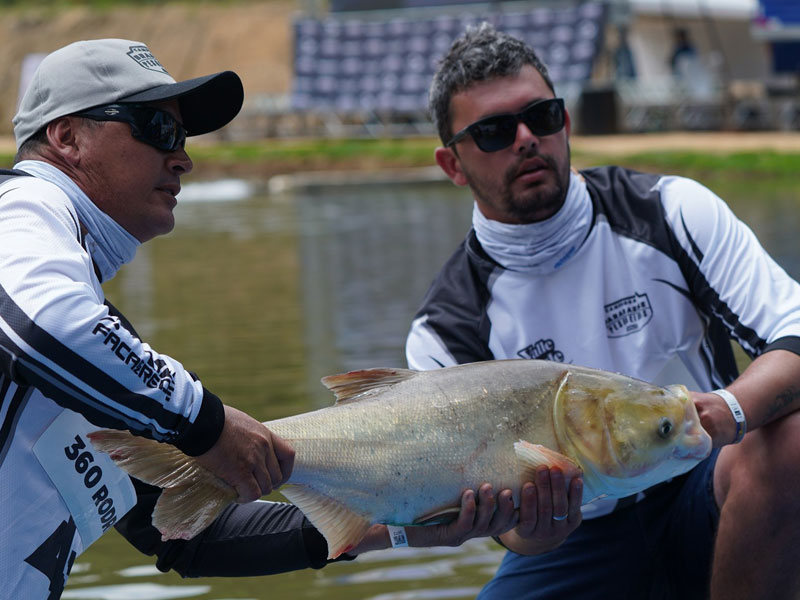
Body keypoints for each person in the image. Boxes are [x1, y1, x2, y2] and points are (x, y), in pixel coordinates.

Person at [0, 38, 519, 597]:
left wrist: (402, 526)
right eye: (158, 129)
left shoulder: (98, 361)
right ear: (67, 137)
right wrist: (207, 424)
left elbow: (188, 537)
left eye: (183, 137)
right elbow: (41, 325)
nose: (183, 158)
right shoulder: (22, 209)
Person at [406, 23, 800, 599]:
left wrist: (723, 413)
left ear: (564, 123)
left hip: (710, 489)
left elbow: (794, 334)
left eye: (540, 116)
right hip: (575, 542)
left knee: (790, 439)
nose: (525, 139)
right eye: (492, 132)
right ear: (453, 165)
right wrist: (534, 530)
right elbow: (505, 529)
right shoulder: (443, 330)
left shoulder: (672, 211)